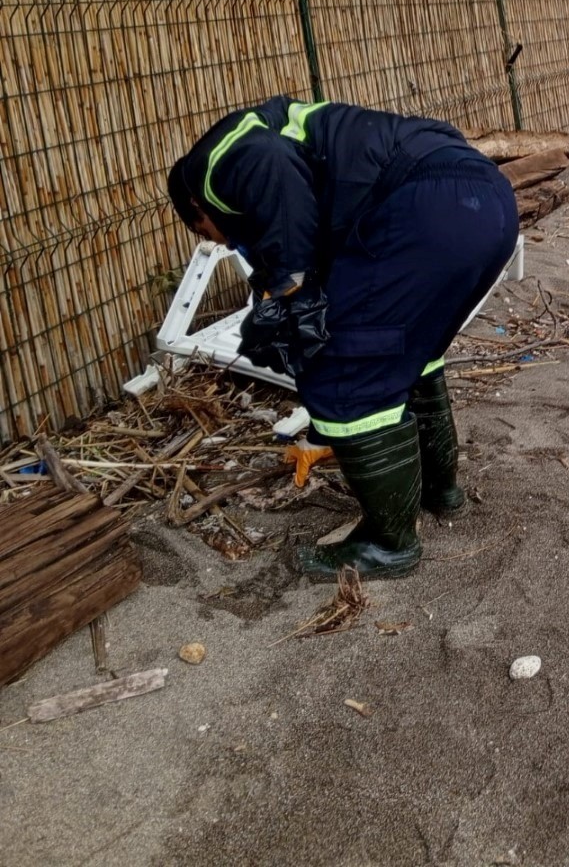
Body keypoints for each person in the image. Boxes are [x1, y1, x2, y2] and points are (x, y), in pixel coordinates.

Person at [167, 96, 519, 579]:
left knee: (345, 374)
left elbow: (272, 173)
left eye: (207, 230)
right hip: (488, 203)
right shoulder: (306, 148)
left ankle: (389, 544)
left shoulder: (214, 162)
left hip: (431, 207)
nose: (221, 242)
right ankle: (440, 492)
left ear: (195, 205)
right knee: (409, 355)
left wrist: (294, 289)